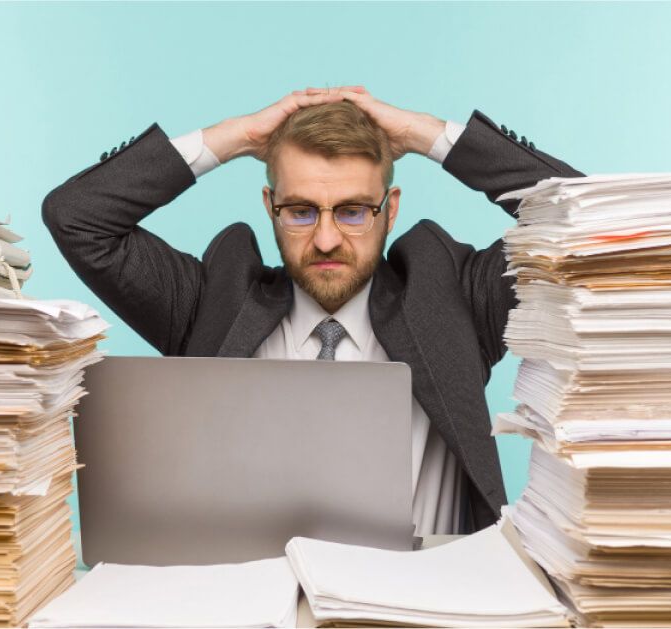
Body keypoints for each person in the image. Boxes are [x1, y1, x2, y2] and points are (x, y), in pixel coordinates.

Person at [43, 86, 582, 534]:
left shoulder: (454, 302)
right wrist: (235, 138)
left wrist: (426, 136)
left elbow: (581, 222)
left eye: (352, 211)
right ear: (269, 208)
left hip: (426, 602)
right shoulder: (209, 303)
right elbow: (77, 218)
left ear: (389, 210)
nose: (325, 240)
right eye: (300, 211)